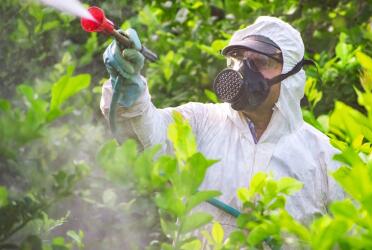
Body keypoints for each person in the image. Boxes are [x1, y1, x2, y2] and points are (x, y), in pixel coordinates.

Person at [100, 16, 344, 233]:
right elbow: (147, 135)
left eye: (261, 62)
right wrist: (130, 88)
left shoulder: (325, 160)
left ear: (292, 74)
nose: (243, 71)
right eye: (239, 59)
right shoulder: (200, 122)